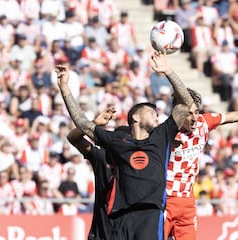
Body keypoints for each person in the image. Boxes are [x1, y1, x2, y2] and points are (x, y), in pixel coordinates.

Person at [55, 51, 194, 240]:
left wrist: (168, 71)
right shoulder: (116, 142)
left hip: (150, 215)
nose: (156, 115)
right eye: (150, 112)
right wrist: (65, 89)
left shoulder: (162, 136)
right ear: (135, 117)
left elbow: (186, 104)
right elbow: (82, 124)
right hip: (119, 218)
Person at [164, 89, 238, 239]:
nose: (195, 118)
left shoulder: (203, 123)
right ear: (178, 113)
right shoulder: (165, 133)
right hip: (165, 199)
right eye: (189, 114)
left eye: (196, 112)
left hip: (188, 200)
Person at [67, 108, 116, 240]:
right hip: (102, 229)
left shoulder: (141, 160)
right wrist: (93, 123)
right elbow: (73, 137)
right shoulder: (102, 156)